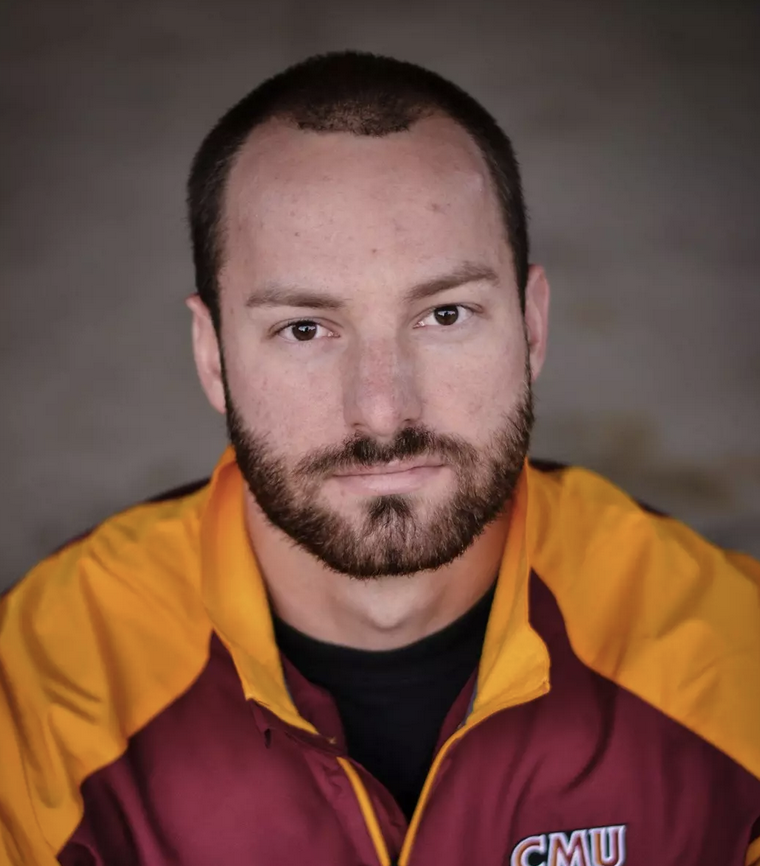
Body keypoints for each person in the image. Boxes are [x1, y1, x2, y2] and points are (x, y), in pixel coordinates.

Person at [1, 51, 758, 866]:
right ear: (212, 355)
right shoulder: (40, 686)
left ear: (533, 326)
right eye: (304, 329)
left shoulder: (734, 657)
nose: (383, 410)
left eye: (446, 315)